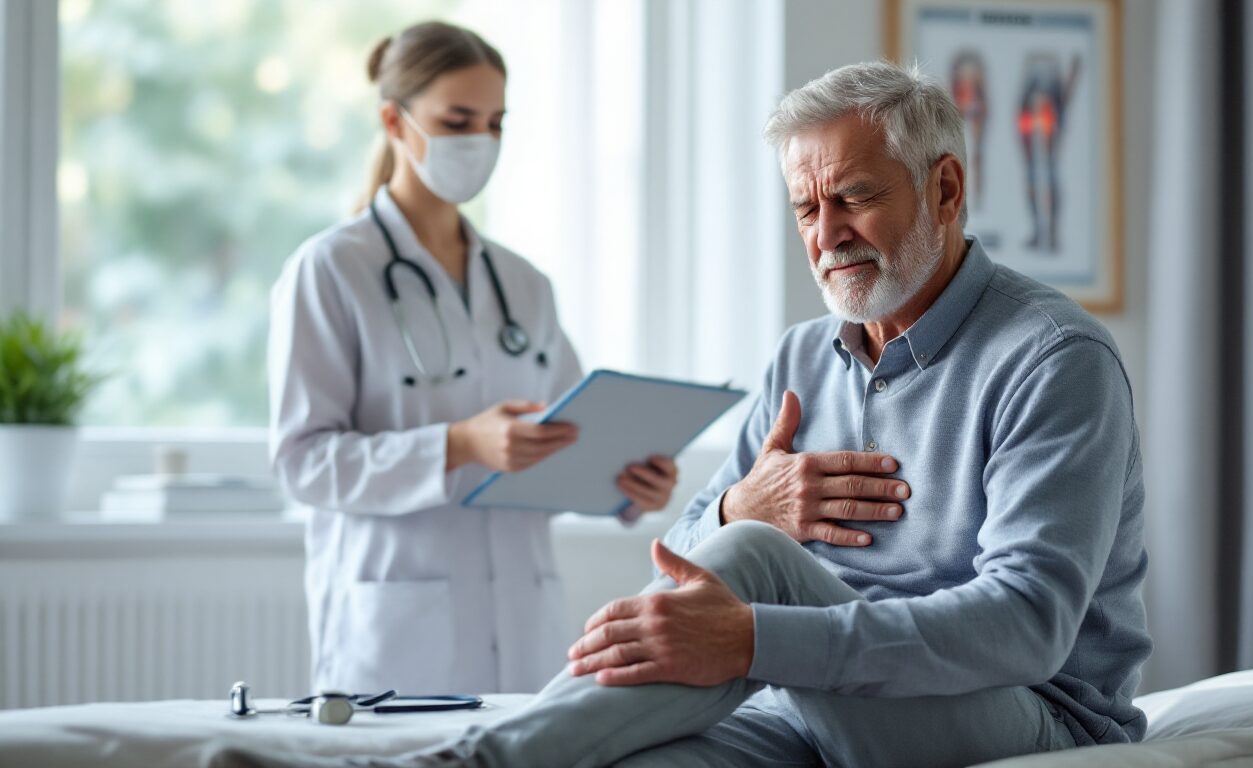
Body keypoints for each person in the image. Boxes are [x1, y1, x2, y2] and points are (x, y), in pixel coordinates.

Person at [220, 59, 1149, 768]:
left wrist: (754, 633)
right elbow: (697, 551)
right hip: (818, 696)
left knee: (756, 564)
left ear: (944, 190)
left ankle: (474, 761)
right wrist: (748, 507)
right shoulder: (802, 356)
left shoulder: (1051, 358)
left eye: (856, 198)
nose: (826, 237)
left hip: (1026, 712)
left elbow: (1026, 625)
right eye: (805, 208)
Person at [266, 21, 678, 698]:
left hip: (523, 619)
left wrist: (627, 482)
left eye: (495, 123)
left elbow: (573, 429)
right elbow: (302, 463)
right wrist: (457, 445)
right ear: (394, 121)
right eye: (459, 120)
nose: (480, 142)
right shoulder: (332, 269)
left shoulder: (523, 283)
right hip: (394, 626)